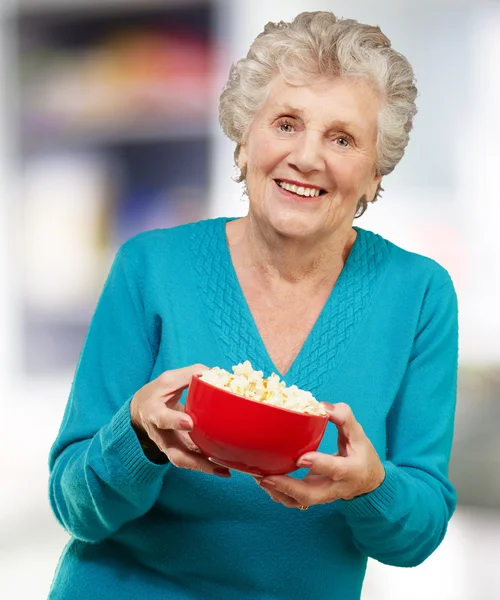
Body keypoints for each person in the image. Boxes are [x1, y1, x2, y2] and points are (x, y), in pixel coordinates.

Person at [47, 11, 458, 600]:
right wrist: (135, 434)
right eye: (287, 124)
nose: (308, 158)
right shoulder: (151, 267)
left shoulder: (419, 294)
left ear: (375, 173)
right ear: (244, 142)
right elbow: (74, 508)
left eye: (342, 138)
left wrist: (370, 485)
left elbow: (415, 537)